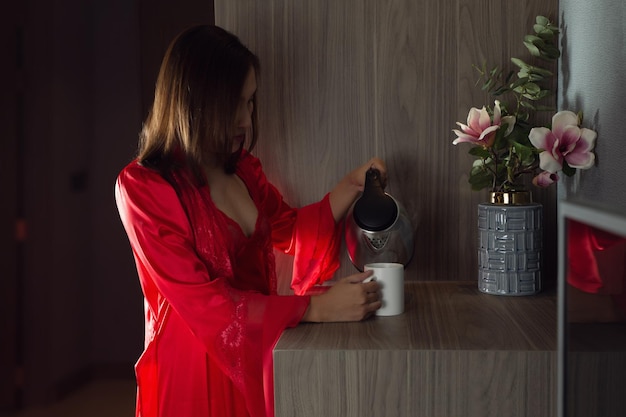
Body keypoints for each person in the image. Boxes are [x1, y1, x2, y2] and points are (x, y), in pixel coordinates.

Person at [115, 24, 384, 417]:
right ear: (197, 102)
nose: (246, 119)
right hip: (194, 380)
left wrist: (350, 186)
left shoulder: (244, 170)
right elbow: (207, 305)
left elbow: (291, 231)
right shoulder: (143, 188)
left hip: (258, 355)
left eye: (251, 101)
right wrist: (315, 307)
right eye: (235, 104)